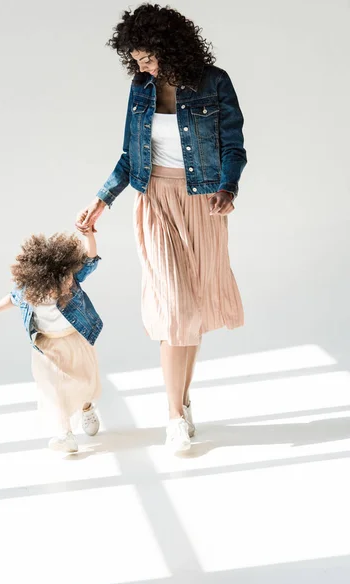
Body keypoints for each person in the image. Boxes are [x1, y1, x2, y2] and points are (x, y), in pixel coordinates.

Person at [76, 4, 247, 454]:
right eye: (135, 59)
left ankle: (183, 400)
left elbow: (234, 145)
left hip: (204, 203)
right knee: (173, 308)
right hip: (154, 201)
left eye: (147, 57)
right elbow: (130, 154)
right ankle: (173, 416)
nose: (141, 66)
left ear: (170, 48)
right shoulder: (141, 89)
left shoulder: (214, 81)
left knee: (192, 309)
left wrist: (229, 187)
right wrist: (102, 198)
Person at [0, 230, 102, 453]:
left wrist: (89, 237)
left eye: (69, 278)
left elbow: (90, 260)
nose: (68, 283)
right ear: (41, 282)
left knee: (82, 382)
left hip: (73, 340)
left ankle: (86, 406)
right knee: (55, 389)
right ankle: (65, 434)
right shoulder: (29, 290)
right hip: (47, 346)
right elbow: (12, 299)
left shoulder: (70, 281)